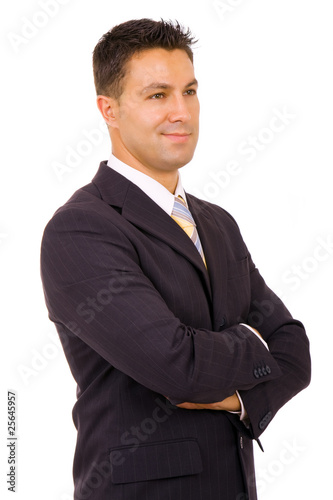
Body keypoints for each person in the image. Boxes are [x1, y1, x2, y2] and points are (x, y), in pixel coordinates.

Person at [40, 18, 311, 500]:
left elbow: (294, 350)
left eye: (190, 91)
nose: (182, 112)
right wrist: (251, 342)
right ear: (110, 110)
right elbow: (177, 370)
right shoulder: (82, 229)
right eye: (158, 95)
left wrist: (233, 399)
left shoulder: (218, 223)